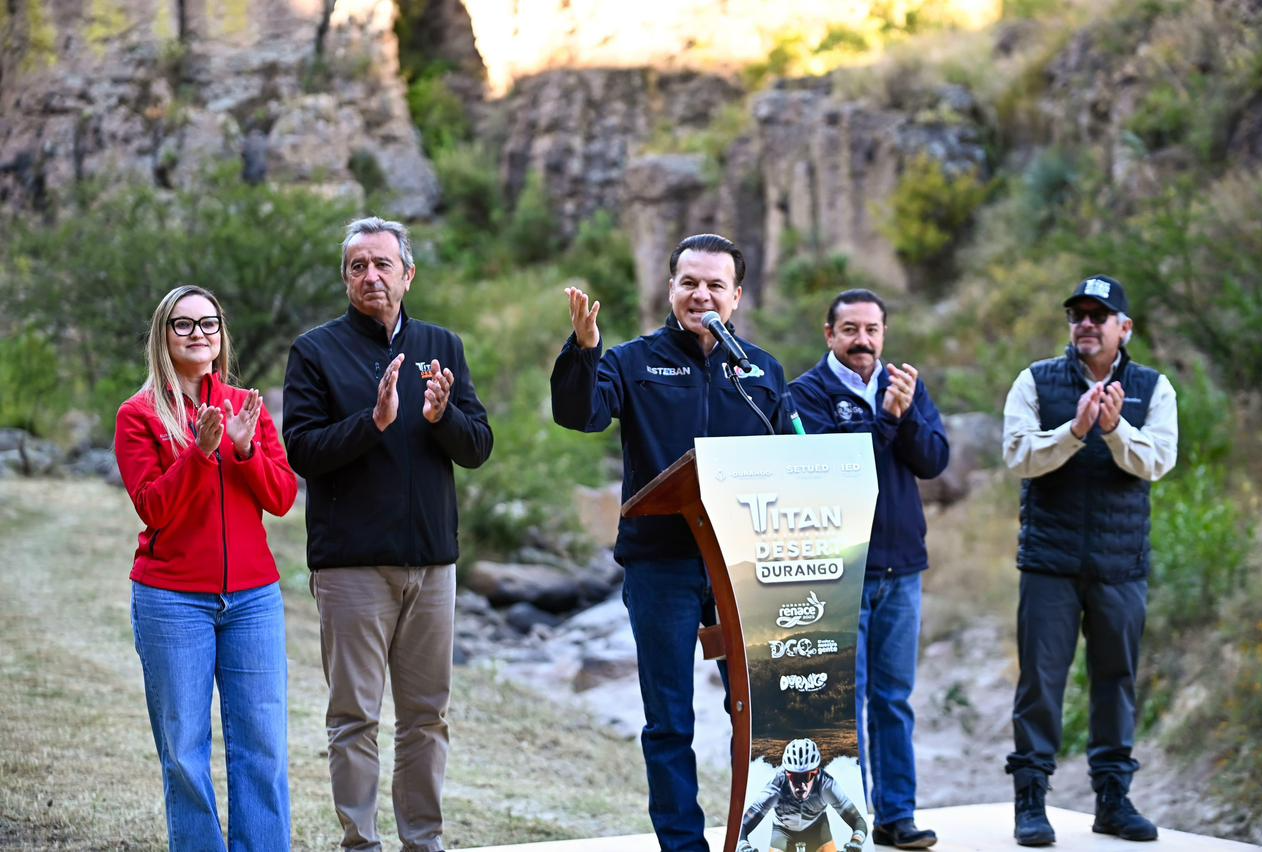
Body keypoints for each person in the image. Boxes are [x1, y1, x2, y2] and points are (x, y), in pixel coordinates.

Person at [551, 233, 791, 852]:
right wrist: (583, 350)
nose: (701, 295)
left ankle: (764, 835)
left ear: (736, 296)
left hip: (744, 566)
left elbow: (789, 459)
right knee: (669, 719)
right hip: (662, 563)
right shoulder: (631, 361)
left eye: (715, 285)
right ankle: (684, 845)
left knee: (762, 714)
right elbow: (580, 414)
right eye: (690, 283)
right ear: (670, 289)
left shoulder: (761, 372)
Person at [282, 216, 493, 852]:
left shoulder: (442, 345)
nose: (371, 276)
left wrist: (442, 416)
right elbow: (302, 450)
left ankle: (423, 841)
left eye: (382, 264)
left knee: (427, 716)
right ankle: (361, 842)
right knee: (354, 717)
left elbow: (478, 446)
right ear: (345, 278)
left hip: (433, 564)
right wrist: (371, 422)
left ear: (408, 274)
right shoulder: (315, 351)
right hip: (352, 567)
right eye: (358, 266)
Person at [115, 284, 296, 851]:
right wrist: (199, 453)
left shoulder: (246, 406)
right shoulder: (138, 415)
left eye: (209, 323)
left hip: (253, 600)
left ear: (222, 335)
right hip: (172, 602)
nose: (199, 333)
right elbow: (153, 507)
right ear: (163, 336)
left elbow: (282, 497)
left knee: (263, 748)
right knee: (185, 753)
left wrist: (244, 451)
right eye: (184, 324)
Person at [1002, 275, 1177, 846]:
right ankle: (1031, 802)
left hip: (1120, 564)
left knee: (1116, 682)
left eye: (1098, 316)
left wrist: (1115, 428)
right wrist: (1076, 430)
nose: (1085, 324)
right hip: (1049, 562)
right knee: (1039, 683)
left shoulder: (1154, 388)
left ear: (1124, 328)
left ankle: (1113, 801)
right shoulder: (1034, 380)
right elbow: (1018, 456)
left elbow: (1158, 462)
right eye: (1077, 314)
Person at [788, 288, 949, 850]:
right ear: (829, 334)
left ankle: (896, 816)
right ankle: (844, 824)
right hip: (839, 572)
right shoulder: (805, 393)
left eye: (872, 329)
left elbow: (934, 460)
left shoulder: (904, 386)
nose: (863, 340)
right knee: (842, 704)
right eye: (850, 329)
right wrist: (885, 420)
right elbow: (829, 467)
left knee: (894, 699)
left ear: (884, 333)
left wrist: (906, 416)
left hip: (902, 569)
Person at [738, 738, 869, 852]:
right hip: (783, 832)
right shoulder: (776, 787)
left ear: (816, 773)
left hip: (817, 829)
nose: (801, 784)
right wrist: (743, 846)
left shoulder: (825, 784)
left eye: (807, 776)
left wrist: (855, 842)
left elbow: (858, 820)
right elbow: (742, 825)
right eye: (795, 777)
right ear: (787, 774)